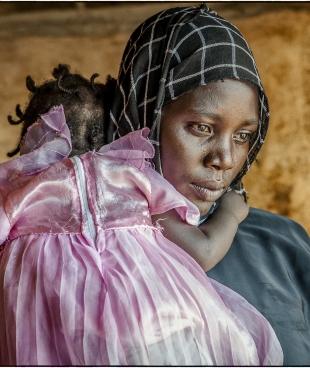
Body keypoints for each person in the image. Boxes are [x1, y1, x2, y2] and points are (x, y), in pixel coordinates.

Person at [0, 61, 283, 365]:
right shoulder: (131, 174)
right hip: (151, 327)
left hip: (46, 331)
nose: (223, 160)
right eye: (201, 127)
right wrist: (232, 211)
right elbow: (202, 246)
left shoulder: (17, 189)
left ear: (29, 139)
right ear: (113, 132)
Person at [106, 4, 310, 365]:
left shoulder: (283, 244)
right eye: (202, 127)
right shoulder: (81, 256)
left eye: (244, 135)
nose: (225, 159)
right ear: (146, 115)